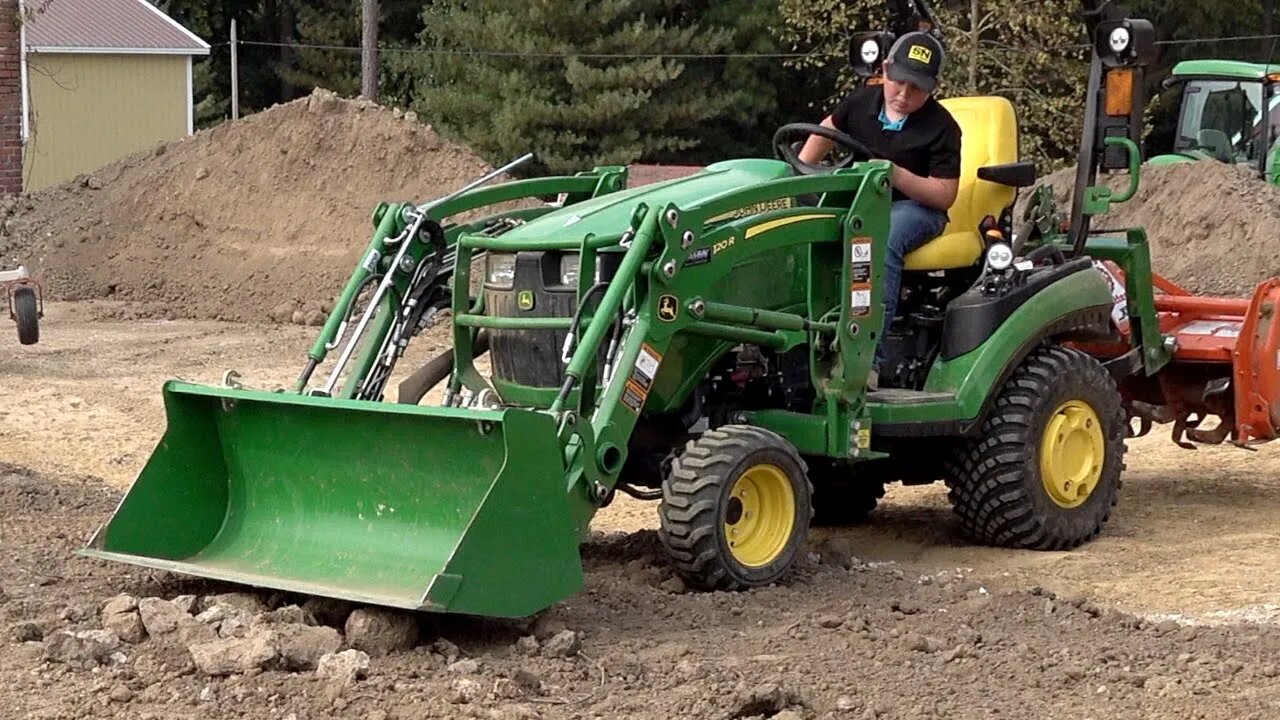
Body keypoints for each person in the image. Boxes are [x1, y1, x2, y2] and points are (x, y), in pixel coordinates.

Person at [797, 31, 961, 387]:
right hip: (862, 202)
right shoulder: (861, 104)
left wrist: (895, 175)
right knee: (802, 224)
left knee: (876, 237)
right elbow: (828, 129)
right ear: (885, 70)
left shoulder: (942, 127)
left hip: (917, 209)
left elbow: (944, 194)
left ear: (932, 88)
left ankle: (867, 359)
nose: (903, 95)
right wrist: (801, 172)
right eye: (898, 82)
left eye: (916, 89)